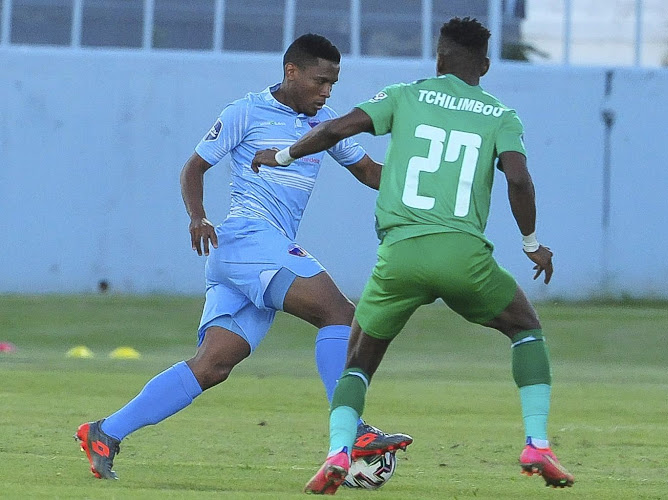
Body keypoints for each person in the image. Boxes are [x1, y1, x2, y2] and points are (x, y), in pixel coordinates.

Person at [251, 17, 575, 494]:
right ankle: (537, 444)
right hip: (463, 256)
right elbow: (519, 180)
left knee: (358, 360)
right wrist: (531, 243)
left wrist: (282, 157)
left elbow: (337, 129)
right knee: (525, 330)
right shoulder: (501, 116)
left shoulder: (404, 96)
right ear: (484, 65)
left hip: (400, 255)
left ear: (439, 57)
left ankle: (338, 452)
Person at [75, 34, 412, 480]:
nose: (327, 91)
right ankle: (352, 431)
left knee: (212, 365)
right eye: (321, 81)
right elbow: (194, 167)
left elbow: (369, 172)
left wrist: (426, 188)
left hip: (249, 257)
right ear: (292, 71)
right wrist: (198, 217)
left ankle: (105, 432)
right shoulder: (245, 112)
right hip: (248, 240)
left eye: (333, 83)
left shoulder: (326, 122)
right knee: (340, 315)